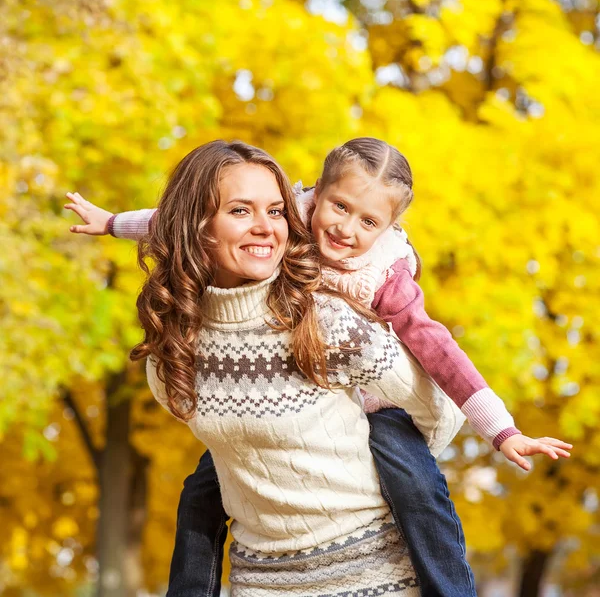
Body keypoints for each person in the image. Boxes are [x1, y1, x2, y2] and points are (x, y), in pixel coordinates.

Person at [65, 138, 571, 596]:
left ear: (390, 227)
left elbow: (437, 352)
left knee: (417, 485)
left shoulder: (379, 278)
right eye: (339, 207)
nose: (346, 229)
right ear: (316, 195)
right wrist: (110, 223)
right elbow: (168, 219)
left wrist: (500, 430)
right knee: (200, 491)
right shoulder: (283, 227)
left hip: (380, 413)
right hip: (263, 573)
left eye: (369, 222)